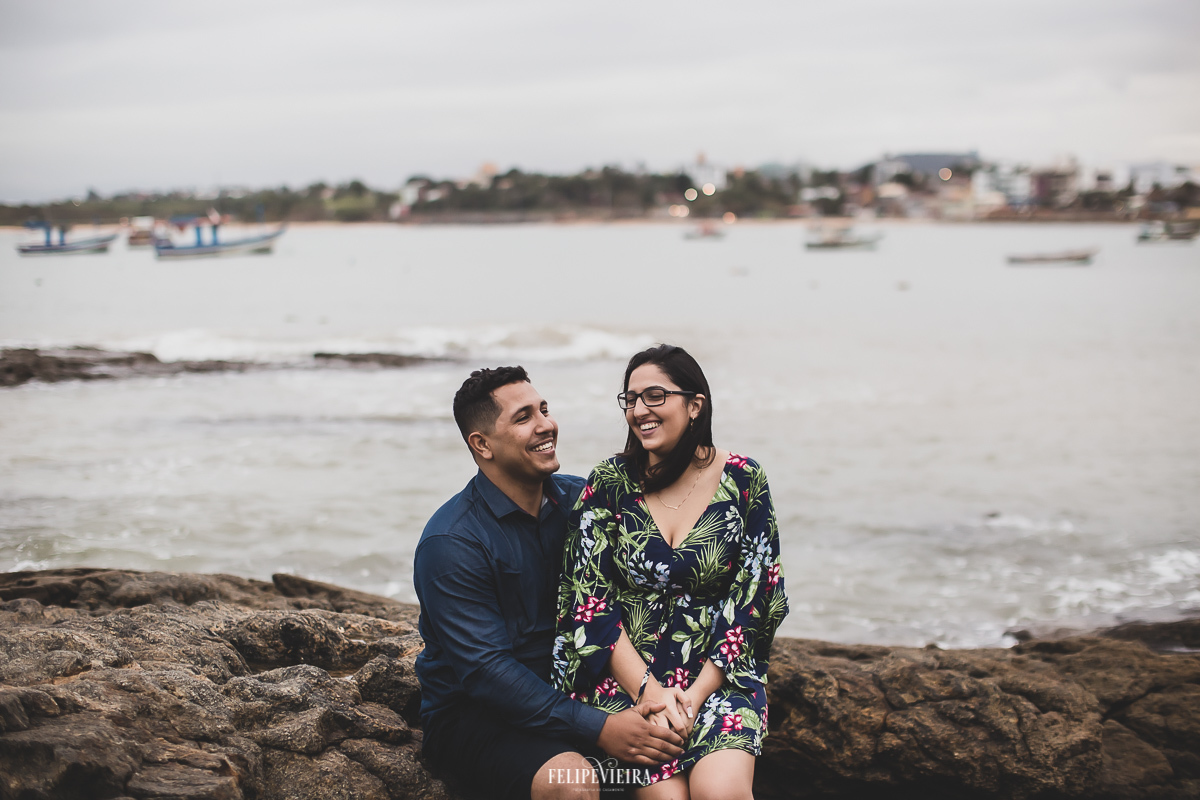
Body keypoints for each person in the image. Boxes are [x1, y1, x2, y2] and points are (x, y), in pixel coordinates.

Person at [414, 366, 686, 800]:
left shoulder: (583, 501)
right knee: (574, 782)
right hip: (479, 718)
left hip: (581, 690)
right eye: (523, 417)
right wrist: (602, 729)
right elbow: (487, 674)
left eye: (544, 409)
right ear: (481, 444)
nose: (547, 425)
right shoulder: (452, 542)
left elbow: (663, 558)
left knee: (684, 767)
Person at [552, 345, 789, 800]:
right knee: (667, 798)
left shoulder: (744, 480)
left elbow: (755, 598)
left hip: (718, 677)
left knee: (721, 792)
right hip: (625, 679)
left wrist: (694, 696)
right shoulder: (610, 483)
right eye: (631, 399)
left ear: (694, 405)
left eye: (655, 396)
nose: (640, 410)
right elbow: (587, 600)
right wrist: (650, 692)